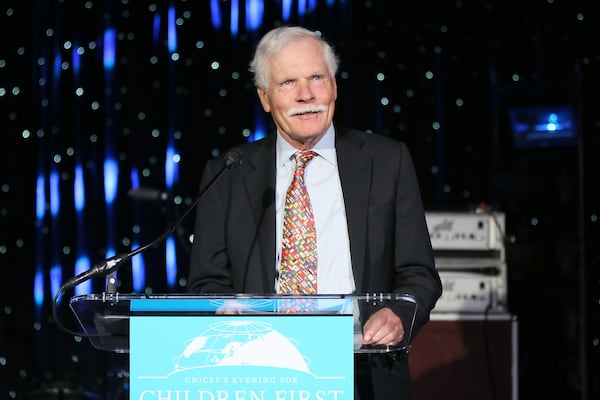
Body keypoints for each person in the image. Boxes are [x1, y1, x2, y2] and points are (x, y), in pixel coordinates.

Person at [187, 25, 442, 399]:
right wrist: (226, 311)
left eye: (316, 78)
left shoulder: (387, 161)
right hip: (259, 372)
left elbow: (420, 275)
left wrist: (399, 315)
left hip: (363, 369)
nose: (306, 95)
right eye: (288, 82)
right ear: (265, 98)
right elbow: (206, 283)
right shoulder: (229, 172)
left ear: (334, 87)